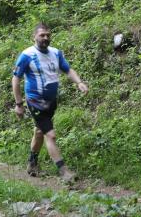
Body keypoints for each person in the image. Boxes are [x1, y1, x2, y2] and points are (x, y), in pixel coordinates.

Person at [12, 23, 88, 182]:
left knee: (39, 132)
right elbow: (16, 79)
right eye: (42, 35)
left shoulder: (56, 53)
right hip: (35, 101)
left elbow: (67, 69)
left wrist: (79, 82)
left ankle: (32, 163)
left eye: (48, 35)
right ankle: (64, 172)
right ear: (34, 37)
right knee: (50, 135)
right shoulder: (27, 55)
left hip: (51, 102)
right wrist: (19, 104)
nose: (45, 38)